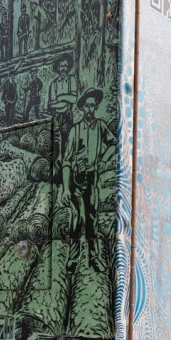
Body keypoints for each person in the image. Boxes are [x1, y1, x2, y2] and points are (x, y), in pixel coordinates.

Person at [61, 87, 111, 259]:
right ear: (82, 108)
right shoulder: (75, 130)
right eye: (87, 106)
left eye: (93, 105)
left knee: (91, 218)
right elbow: (66, 161)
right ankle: (73, 259)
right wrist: (66, 188)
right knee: (76, 219)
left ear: (96, 107)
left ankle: (93, 256)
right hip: (76, 179)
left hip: (92, 178)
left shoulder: (101, 126)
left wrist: (104, 159)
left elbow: (113, 144)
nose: (90, 109)